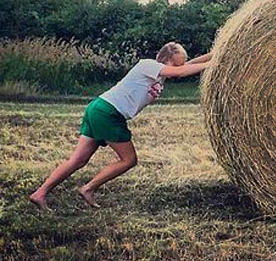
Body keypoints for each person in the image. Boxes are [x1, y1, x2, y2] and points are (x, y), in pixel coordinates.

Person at [29, 42, 211, 210]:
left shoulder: (161, 73)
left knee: (78, 160)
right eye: (177, 64)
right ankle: (88, 188)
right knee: (129, 160)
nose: (180, 68)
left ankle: (40, 193)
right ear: (165, 59)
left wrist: (216, 54)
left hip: (99, 108)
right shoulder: (147, 65)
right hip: (109, 112)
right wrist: (213, 65)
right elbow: (181, 72)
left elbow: (187, 67)